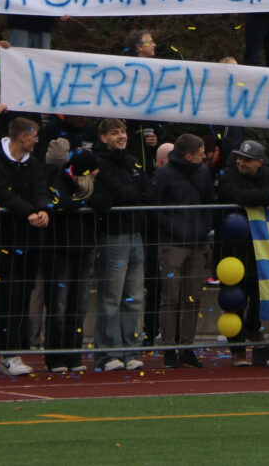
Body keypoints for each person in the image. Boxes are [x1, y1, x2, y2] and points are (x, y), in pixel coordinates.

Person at [216, 138, 269, 364]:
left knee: (260, 294)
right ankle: (237, 350)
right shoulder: (229, 174)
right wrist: (267, 197)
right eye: (240, 157)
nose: (241, 162)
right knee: (234, 299)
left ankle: (253, 328)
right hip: (233, 250)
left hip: (260, 247)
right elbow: (233, 194)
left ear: (259, 163)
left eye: (247, 160)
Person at [0, 116, 54, 376]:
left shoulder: (33, 163)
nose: (37, 141)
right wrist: (27, 212)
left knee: (24, 294)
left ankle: (14, 351)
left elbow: (40, 188)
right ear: (23, 136)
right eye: (34, 136)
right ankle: (7, 351)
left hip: (30, 240)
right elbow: (1, 192)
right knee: (7, 296)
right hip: (3, 240)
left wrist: (44, 210)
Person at [92, 117, 156, 372]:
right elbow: (117, 194)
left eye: (123, 132)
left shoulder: (132, 163)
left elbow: (148, 192)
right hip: (113, 235)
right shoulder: (99, 163)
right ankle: (107, 354)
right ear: (103, 137)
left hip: (134, 234)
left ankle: (130, 350)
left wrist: (132, 196)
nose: (121, 136)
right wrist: (132, 195)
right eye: (115, 132)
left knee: (134, 296)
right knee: (111, 296)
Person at [154, 132, 214, 368]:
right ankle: (169, 348)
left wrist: (204, 228)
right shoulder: (163, 175)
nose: (205, 156)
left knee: (193, 297)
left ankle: (187, 347)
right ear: (188, 156)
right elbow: (155, 208)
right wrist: (172, 229)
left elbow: (210, 201)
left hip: (197, 243)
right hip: (173, 243)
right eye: (200, 153)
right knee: (170, 297)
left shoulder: (203, 172)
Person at [42, 148, 105, 374]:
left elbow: (104, 200)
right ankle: (55, 355)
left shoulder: (92, 186)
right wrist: (81, 200)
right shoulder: (57, 179)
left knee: (78, 305)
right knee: (58, 304)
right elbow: (60, 203)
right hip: (59, 249)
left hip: (82, 249)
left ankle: (73, 353)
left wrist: (84, 198)